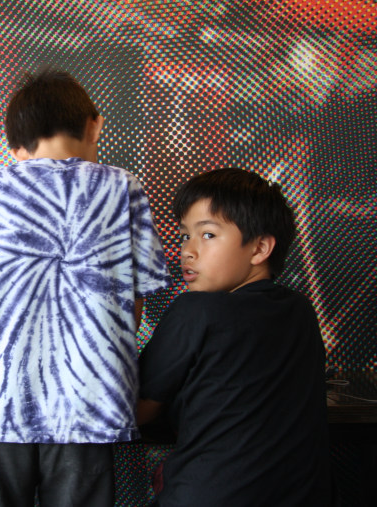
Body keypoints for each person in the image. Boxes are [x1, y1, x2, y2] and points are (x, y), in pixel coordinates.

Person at [0, 68, 171, 507]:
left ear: (15, 144)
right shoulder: (123, 188)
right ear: (95, 123)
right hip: (88, 404)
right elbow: (131, 309)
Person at [137, 168, 332, 506]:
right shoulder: (301, 310)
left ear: (259, 248)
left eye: (208, 235)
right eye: (185, 235)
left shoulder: (196, 310)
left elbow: (138, 410)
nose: (187, 251)